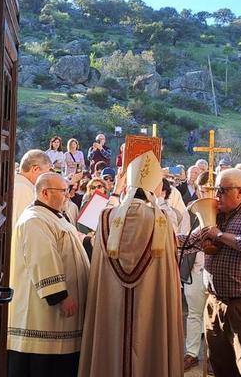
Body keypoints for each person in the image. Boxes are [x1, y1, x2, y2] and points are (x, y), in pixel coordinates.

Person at [78, 151, 185, 377]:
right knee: (149, 338)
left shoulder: (106, 217)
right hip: (150, 300)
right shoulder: (161, 220)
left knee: (112, 340)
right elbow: (169, 268)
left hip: (111, 301)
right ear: (153, 188)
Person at [183, 169, 241, 377]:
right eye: (217, 190)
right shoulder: (218, 215)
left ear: (240, 193)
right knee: (220, 362)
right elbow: (188, 242)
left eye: (222, 191)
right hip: (216, 303)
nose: (217, 196)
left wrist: (219, 234)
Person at [7, 173, 89, 377]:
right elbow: (43, 259)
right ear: (45, 192)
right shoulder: (34, 219)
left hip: (60, 322)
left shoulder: (54, 217)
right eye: (63, 191)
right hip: (45, 318)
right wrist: (60, 296)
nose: (68, 196)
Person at [181, 171, 215, 371]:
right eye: (204, 190)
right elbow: (184, 239)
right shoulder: (192, 210)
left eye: (211, 190)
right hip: (195, 268)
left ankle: (214, 356)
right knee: (194, 313)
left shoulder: (223, 210)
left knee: (215, 315)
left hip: (216, 271)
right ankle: (192, 353)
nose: (207, 195)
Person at [13, 150, 51, 227]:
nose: (47, 178)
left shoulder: (23, 185)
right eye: (46, 173)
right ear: (35, 169)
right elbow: (25, 226)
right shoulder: (22, 189)